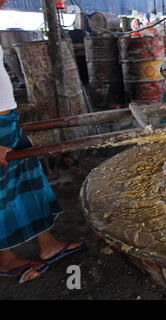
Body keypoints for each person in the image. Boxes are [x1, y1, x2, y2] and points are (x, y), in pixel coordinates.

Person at [0, 0, 85, 284]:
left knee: (28, 181)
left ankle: (47, 245)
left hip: (7, 120)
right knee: (3, 197)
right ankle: (5, 257)